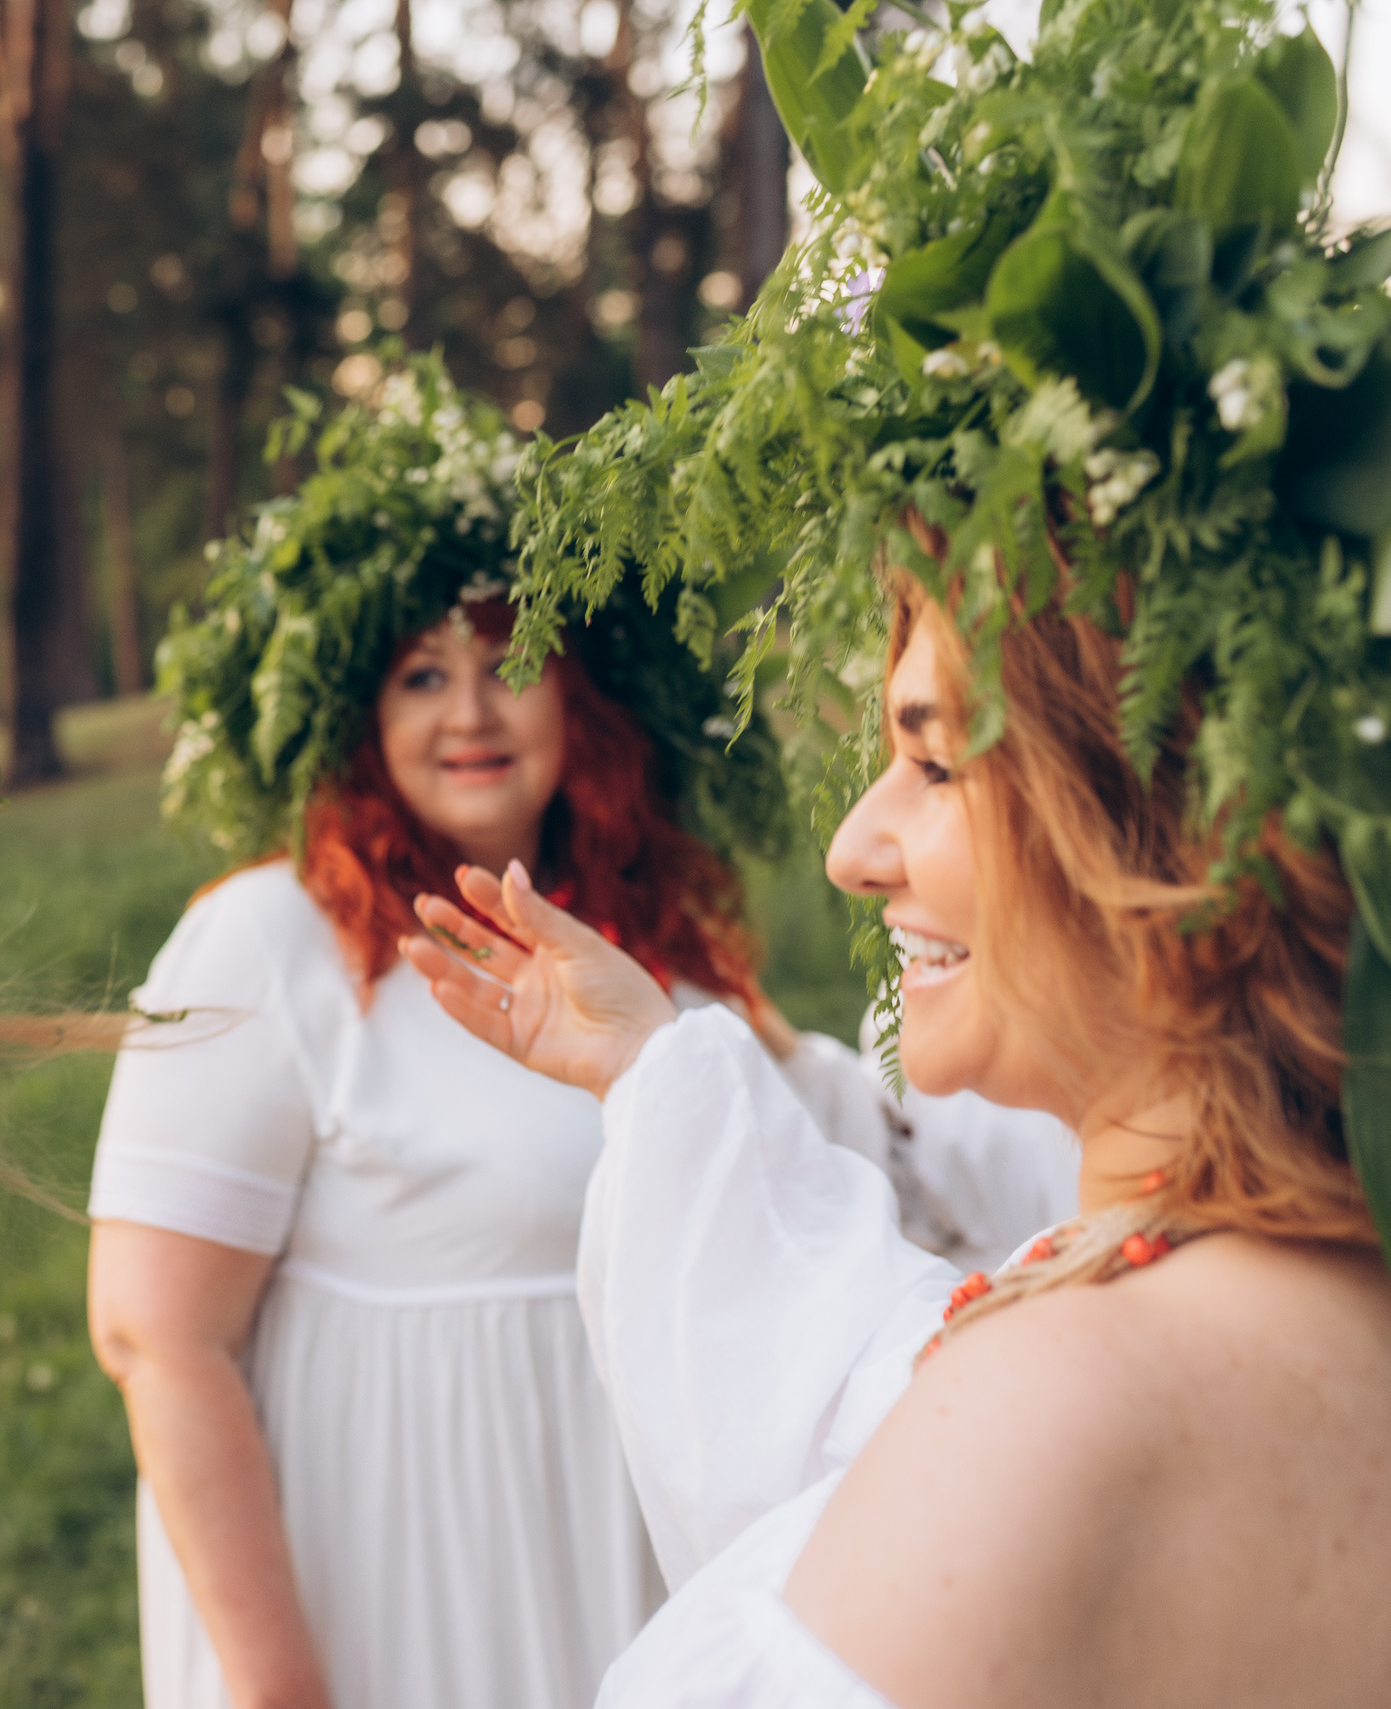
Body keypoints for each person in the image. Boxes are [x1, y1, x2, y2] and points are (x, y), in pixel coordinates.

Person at [410, 4, 1391, 1702]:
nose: (859, 845)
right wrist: (661, 1073)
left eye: (933, 757)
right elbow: (895, 1367)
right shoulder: (1268, 1295)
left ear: (1177, 822)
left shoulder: (1065, 1414)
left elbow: (978, 1426)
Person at [86, 358, 1071, 1709]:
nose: (471, 711)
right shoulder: (268, 943)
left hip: (610, 1580)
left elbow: (862, 1153)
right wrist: (274, 1682)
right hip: (383, 1593)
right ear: (358, 719)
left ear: (580, 698)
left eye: (508, 662)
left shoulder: (653, 954)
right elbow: (156, 1337)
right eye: (422, 674)